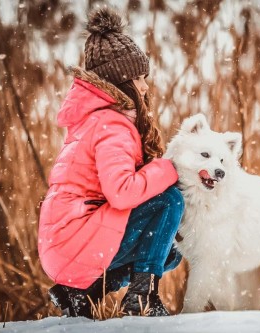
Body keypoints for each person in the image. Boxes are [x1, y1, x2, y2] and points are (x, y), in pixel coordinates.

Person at [38, 7, 184, 318]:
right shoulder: (111, 124)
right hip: (74, 240)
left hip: (64, 243)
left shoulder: (95, 120)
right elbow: (122, 193)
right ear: (120, 82)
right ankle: (142, 299)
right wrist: (169, 168)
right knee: (169, 200)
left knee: (169, 253)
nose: (144, 87)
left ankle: (81, 294)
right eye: (138, 78)